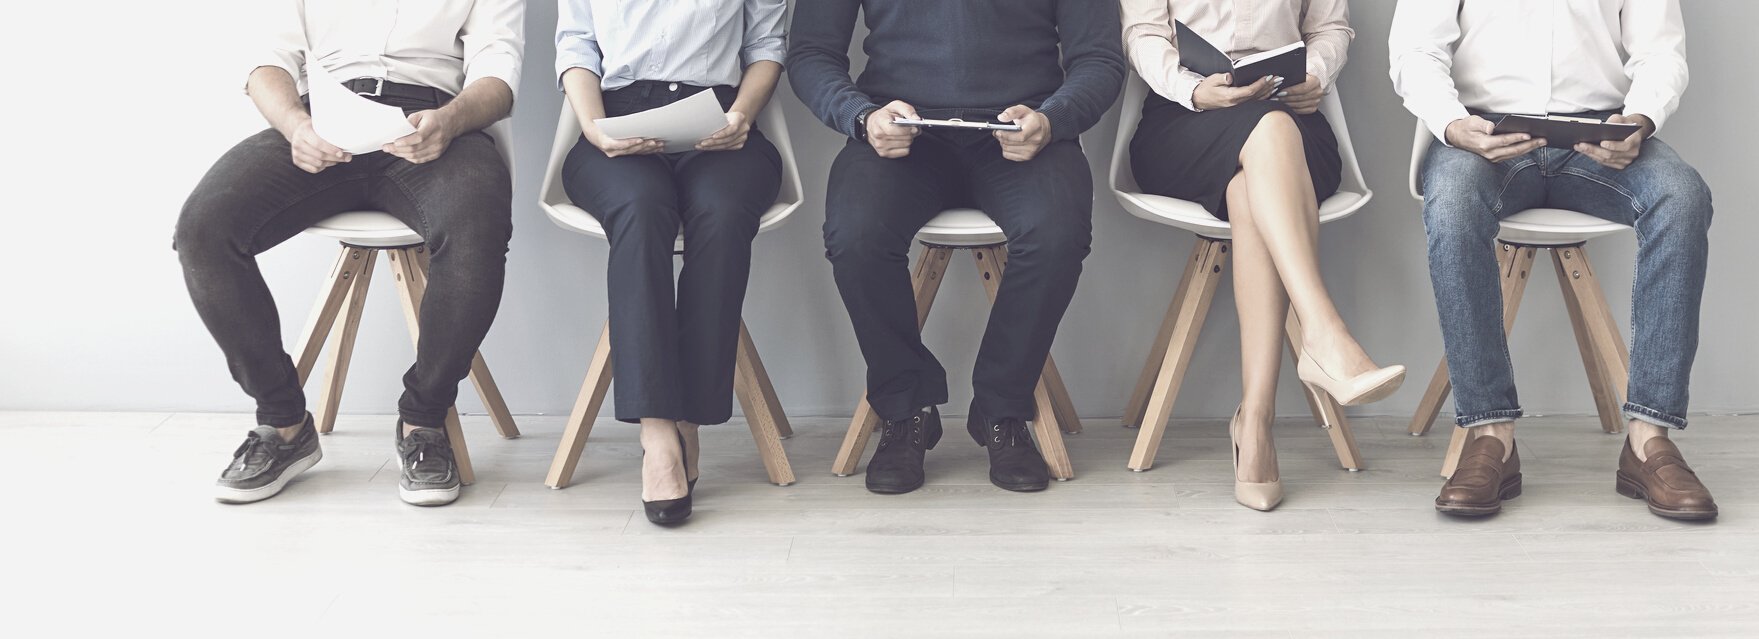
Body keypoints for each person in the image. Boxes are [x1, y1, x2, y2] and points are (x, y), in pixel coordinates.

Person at [179, 0, 522, 507]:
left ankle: (424, 421)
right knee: (204, 229)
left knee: (479, 228)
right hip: (322, 119)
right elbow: (266, 61)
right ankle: (284, 423)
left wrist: (448, 122)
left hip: (432, 124)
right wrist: (296, 126)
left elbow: (499, 72)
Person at [1389, 0, 1718, 519]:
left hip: (1598, 136)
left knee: (1682, 198)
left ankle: (1648, 441)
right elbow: (1415, 49)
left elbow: (1661, 53)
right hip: (1485, 135)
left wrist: (1641, 119)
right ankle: (1489, 433)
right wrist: (1453, 124)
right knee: (1451, 207)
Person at [789, 0, 1123, 495]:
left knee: (1057, 234)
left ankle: (1002, 408)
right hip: (902, 130)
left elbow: (1099, 58)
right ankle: (905, 408)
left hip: (1023, 129)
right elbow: (811, 52)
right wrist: (861, 117)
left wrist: (1052, 119)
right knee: (856, 235)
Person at [1120, 0, 1406, 512]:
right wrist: (1191, 88)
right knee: (1262, 146)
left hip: (1292, 126)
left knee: (1252, 181)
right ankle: (1322, 334)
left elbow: (1331, 29)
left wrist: (1315, 74)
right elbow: (1142, 33)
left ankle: (1254, 423)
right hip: (1186, 120)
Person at [553, 0, 787, 527]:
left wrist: (742, 115)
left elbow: (767, 47)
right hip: (615, 121)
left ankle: (690, 420)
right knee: (640, 207)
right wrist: (594, 128)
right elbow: (577, 46)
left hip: (721, 122)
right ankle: (658, 433)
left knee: (723, 212)